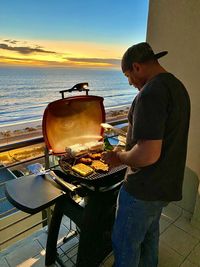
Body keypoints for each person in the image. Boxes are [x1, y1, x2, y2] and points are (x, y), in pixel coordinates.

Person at [102, 42, 190, 267]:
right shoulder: (177, 87)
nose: (130, 82)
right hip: (164, 186)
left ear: (137, 67)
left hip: (143, 189)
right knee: (149, 238)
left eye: (128, 76)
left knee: (125, 244)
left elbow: (148, 154)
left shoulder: (150, 93)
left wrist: (118, 157)